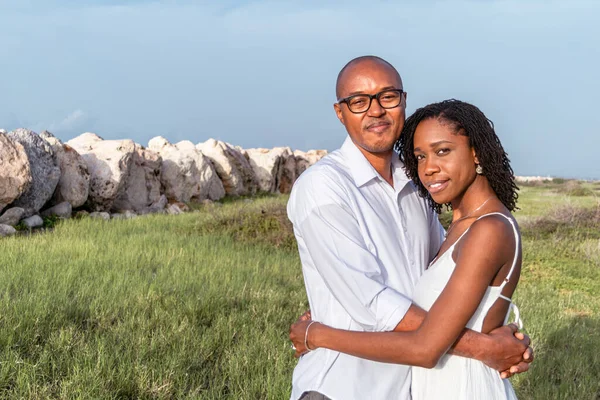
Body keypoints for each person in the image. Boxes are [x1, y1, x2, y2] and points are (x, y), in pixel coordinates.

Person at [286, 55, 532, 400]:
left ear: (403, 101)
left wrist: (504, 338)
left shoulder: (418, 186)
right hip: (347, 386)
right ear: (340, 113)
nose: (375, 111)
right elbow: (369, 303)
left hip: (415, 386)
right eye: (358, 101)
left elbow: (443, 276)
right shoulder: (324, 189)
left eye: (387, 97)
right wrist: (483, 346)